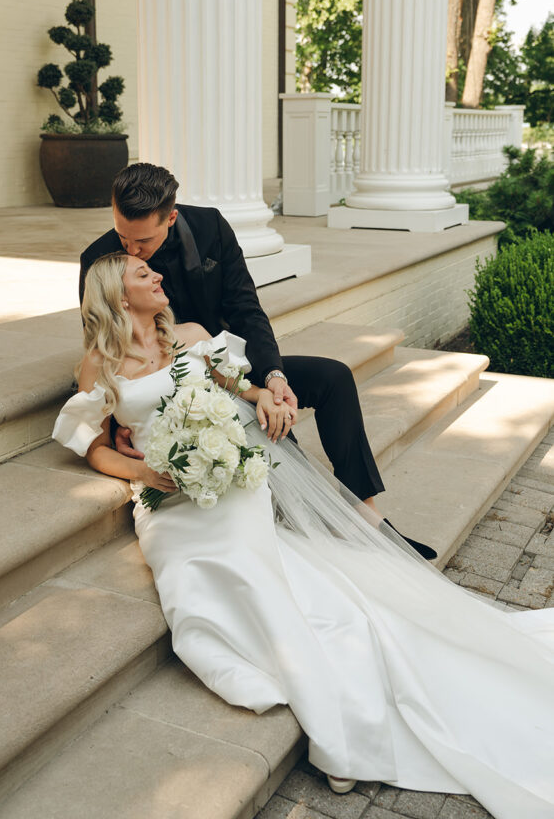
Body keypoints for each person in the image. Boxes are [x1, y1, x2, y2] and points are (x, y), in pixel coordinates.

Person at [54, 253, 554, 817]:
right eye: (144, 276)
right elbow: (93, 446)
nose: (159, 276)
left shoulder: (191, 336)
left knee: (256, 563)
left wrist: (262, 395)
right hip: (169, 499)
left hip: (232, 481)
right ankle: (321, 690)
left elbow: (236, 388)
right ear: (119, 297)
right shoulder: (99, 365)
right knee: (198, 581)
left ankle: (338, 719)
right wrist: (145, 472)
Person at [80, 162, 436, 559]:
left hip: (223, 358)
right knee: (270, 425)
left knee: (332, 377)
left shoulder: (210, 228)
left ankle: (364, 513)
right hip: (179, 385)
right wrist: (119, 425)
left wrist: (273, 376)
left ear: (172, 217)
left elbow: (246, 308)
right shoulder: (99, 261)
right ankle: (309, 515)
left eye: (142, 241)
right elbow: (104, 348)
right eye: (122, 235)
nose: (129, 249)